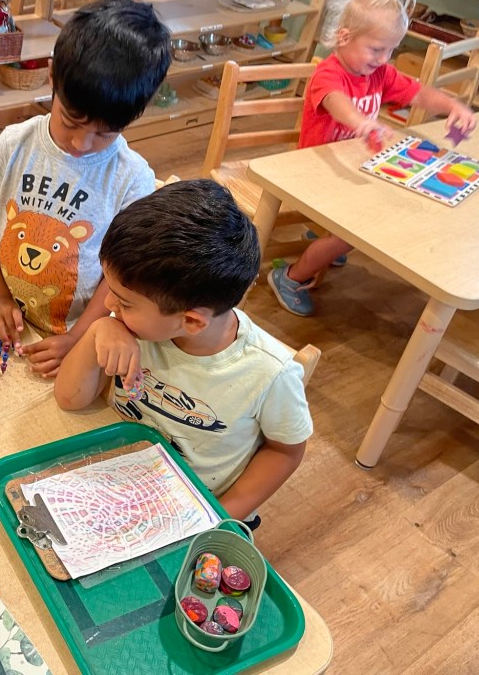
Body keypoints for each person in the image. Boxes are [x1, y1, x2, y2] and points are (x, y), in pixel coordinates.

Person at [55, 180, 312, 522]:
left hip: (195, 509)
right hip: (118, 482)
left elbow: (285, 451)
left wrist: (219, 517)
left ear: (191, 321)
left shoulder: (271, 374)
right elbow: (69, 399)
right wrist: (99, 330)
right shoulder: (133, 324)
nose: (108, 304)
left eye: (124, 302)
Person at [0, 0, 171, 377]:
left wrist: (78, 337)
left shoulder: (132, 180)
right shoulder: (14, 144)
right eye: (70, 121)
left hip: (83, 337)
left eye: (104, 134)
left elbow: (120, 279)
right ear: (52, 76)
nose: (81, 143)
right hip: (6, 319)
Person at [269, 0, 479, 316]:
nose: (383, 59)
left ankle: (323, 236)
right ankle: (290, 277)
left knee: (388, 207)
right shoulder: (328, 73)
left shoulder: (379, 72)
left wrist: (454, 106)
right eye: (376, 49)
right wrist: (361, 123)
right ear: (344, 37)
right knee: (358, 232)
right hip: (314, 171)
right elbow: (337, 102)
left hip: (351, 168)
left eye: (390, 50)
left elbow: (418, 93)